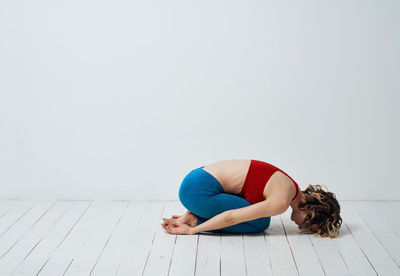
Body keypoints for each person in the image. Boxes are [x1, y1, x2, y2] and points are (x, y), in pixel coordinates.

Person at [161, 159, 342, 238]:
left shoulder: (289, 184)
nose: (303, 228)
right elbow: (231, 216)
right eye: (310, 226)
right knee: (261, 221)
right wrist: (194, 231)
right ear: (310, 211)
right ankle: (194, 219)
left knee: (252, 209)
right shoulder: (281, 201)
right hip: (197, 191)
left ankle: (192, 213)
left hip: (195, 180)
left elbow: (234, 190)